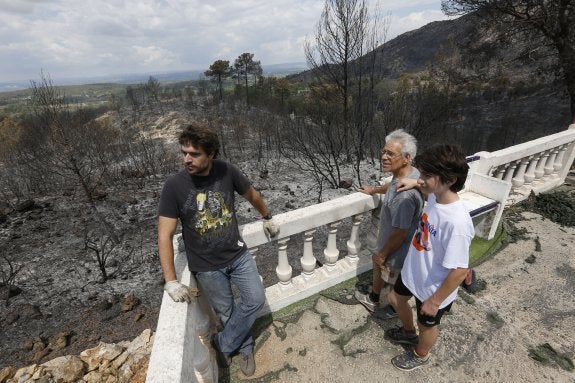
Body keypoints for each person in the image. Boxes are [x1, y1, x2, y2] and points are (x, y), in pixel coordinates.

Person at [157, 122, 279, 376]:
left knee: (255, 299)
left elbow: (252, 194)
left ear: (211, 154)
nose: (186, 159)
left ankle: (222, 343)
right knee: (226, 312)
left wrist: (267, 216)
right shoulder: (174, 186)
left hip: (237, 254)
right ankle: (245, 347)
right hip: (206, 266)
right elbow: (164, 235)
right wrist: (170, 281)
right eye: (184, 153)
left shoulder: (226, 171)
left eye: (194, 154)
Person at [385, 144, 474, 371]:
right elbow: (428, 187)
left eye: (426, 175)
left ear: (450, 179)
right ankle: (407, 333)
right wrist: (416, 182)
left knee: (427, 327)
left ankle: (420, 355)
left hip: (433, 288)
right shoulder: (437, 195)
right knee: (395, 299)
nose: (421, 179)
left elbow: (460, 271)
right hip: (413, 272)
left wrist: (434, 301)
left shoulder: (457, 223)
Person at [355, 130, 424, 320]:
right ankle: (375, 297)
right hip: (391, 242)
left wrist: (383, 253)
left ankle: (393, 310)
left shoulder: (405, 196)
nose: (383, 157)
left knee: (394, 281)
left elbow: (400, 232)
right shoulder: (409, 174)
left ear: (406, 158)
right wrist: (374, 189)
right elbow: (392, 185)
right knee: (379, 266)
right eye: (383, 152)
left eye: (390, 154)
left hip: (397, 249)